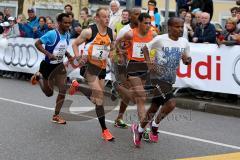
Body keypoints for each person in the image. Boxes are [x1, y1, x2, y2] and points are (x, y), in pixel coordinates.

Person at [131, 17, 192, 147]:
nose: (180, 29)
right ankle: (155, 125)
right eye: (177, 27)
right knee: (171, 103)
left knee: (154, 108)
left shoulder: (184, 42)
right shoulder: (160, 39)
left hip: (169, 79)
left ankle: (139, 129)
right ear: (169, 28)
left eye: (182, 27)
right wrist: (148, 62)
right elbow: (145, 48)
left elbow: (185, 56)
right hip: (157, 78)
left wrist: (187, 60)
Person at [71, 8, 115, 141]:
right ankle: (105, 130)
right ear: (97, 18)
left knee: (97, 100)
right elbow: (75, 44)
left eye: (108, 16)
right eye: (104, 17)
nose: (107, 19)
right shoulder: (89, 31)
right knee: (100, 97)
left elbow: (111, 47)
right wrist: (78, 58)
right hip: (88, 67)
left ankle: (77, 86)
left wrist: (112, 55)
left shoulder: (111, 32)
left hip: (101, 68)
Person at [116, 13, 157, 140]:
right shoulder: (130, 34)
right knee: (141, 96)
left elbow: (158, 46)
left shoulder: (153, 34)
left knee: (138, 98)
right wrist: (122, 55)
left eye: (149, 23)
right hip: (133, 66)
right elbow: (117, 43)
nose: (148, 26)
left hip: (145, 66)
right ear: (139, 23)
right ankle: (143, 127)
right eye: (145, 23)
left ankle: (132, 123)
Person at [30, 13, 73, 124]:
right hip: (47, 66)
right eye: (65, 23)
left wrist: (67, 54)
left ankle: (56, 116)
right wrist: (48, 54)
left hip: (59, 65)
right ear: (59, 23)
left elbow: (62, 48)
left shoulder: (68, 34)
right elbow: (37, 43)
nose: (68, 25)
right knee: (49, 93)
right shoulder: (51, 34)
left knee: (63, 90)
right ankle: (38, 77)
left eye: (69, 22)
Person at [112, 8, 141, 128]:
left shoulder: (143, 29)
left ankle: (119, 118)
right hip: (122, 63)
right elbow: (118, 46)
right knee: (131, 92)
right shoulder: (125, 30)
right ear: (130, 17)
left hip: (137, 64)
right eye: (136, 14)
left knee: (131, 92)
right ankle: (116, 85)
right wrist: (122, 58)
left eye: (140, 14)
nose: (139, 16)